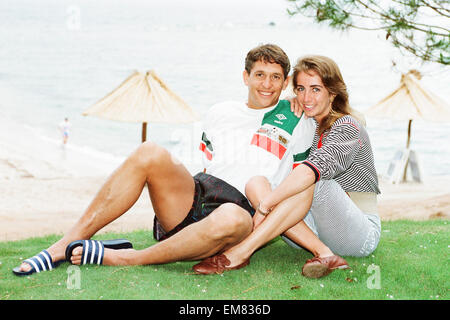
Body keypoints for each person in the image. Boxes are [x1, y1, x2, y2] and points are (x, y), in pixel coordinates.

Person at [13, 44, 316, 276]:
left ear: (286, 81)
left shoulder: (296, 118)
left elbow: (295, 181)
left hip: (240, 212)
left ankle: (127, 256)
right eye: (259, 75)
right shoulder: (220, 112)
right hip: (197, 195)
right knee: (150, 151)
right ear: (245, 77)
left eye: (275, 77)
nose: (267, 84)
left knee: (232, 217)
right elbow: (208, 163)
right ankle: (64, 244)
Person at [193, 55, 381, 278]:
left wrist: (264, 207)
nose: (306, 98)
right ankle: (324, 253)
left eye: (316, 90)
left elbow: (312, 170)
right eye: (300, 89)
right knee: (257, 182)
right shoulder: (307, 122)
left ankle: (241, 252)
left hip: (356, 233)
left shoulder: (347, 126)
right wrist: (291, 100)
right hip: (306, 230)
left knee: (312, 180)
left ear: (333, 92)